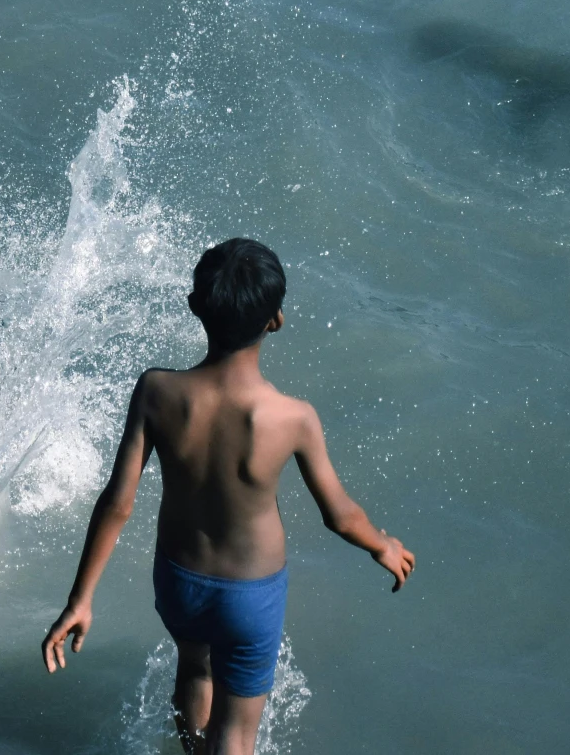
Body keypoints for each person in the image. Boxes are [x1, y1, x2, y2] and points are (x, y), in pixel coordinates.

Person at [41, 240, 412, 755]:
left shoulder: (156, 391)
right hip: (250, 595)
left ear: (195, 306)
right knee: (236, 734)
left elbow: (118, 503)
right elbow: (340, 516)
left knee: (195, 668)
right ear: (276, 320)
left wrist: (80, 598)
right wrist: (383, 545)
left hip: (179, 581)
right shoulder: (293, 417)